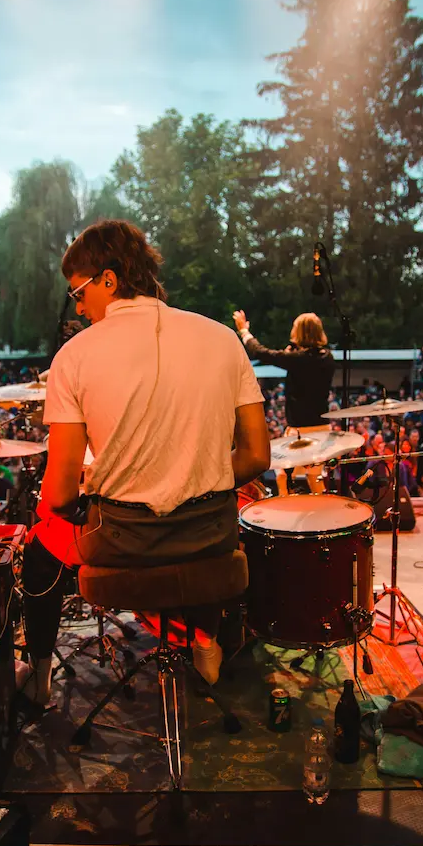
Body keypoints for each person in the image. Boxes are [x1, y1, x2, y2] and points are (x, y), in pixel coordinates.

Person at [20, 220, 270, 705]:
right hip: (210, 536)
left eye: (78, 293)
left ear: (108, 280)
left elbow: (59, 494)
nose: (79, 307)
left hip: (122, 545)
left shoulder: (73, 357)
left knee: (37, 548)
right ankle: (204, 636)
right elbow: (258, 455)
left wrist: (92, 494)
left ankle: (41, 674)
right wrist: (202, 475)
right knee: (206, 527)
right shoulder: (222, 339)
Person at [232, 310, 334, 495]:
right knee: (306, 476)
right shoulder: (326, 357)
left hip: (303, 429)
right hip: (318, 427)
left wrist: (244, 331)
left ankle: (289, 513)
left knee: (293, 476)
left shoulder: (300, 360)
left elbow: (260, 352)